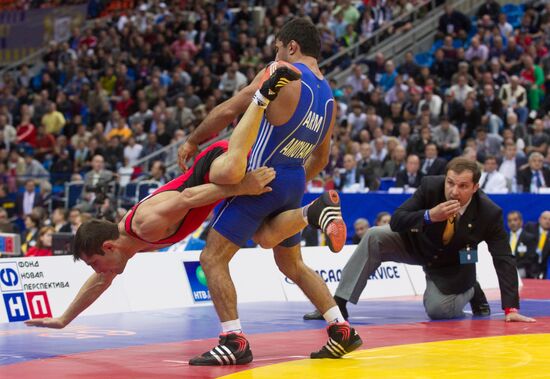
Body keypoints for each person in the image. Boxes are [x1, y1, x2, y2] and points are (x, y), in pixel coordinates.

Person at [25, 65, 345, 343]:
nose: (99, 272)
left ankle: (261, 96)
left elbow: (190, 197)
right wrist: (64, 319)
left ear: (109, 246)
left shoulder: (144, 225)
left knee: (226, 198)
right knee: (267, 239)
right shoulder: (127, 245)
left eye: (95, 263)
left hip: (213, 167)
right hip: (231, 184)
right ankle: (312, 213)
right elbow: (99, 282)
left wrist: (242, 184)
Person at [178, 18, 362, 365]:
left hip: (258, 177)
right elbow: (322, 157)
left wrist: (193, 139)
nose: (275, 53)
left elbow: (233, 107)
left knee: (212, 258)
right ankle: (340, 328)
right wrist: (291, 181)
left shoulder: (282, 71)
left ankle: (233, 340)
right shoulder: (328, 97)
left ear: (291, 46)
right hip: (294, 178)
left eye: (278, 47)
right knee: (291, 263)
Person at [304, 158, 536, 324]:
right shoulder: (430, 186)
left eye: (463, 186)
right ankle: (339, 304)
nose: (454, 191)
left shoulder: (489, 213)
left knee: (439, 311)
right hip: (416, 244)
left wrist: (511, 307)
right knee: (375, 235)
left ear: (476, 188)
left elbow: (504, 258)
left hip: (452, 266)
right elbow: (397, 220)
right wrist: (428, 216)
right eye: (450, 183)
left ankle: (472, 290)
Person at [507, 211, 537, 278]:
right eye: (509, 221)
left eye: (515, 220)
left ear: (521, 222)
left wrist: (514, 265)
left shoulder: (529, 238)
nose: (512, 223)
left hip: (521, 269)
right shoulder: (505, 238)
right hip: (506, 268)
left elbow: (530, 257)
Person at [524, 211, 550, 279]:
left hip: (541, 267)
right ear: (540, 219)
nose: (547, 221)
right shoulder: (530, 227)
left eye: (549, 219)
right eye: (545, 218)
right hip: (526, 265)